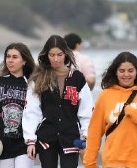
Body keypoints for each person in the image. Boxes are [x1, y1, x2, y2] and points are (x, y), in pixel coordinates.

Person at [83, 51, 137, 168]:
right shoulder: (105, 95)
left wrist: (136, 115)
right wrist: (89, 164)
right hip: (112, 162)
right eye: (122, 71)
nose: (126, 75)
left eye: (130, 71)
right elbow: (94, 133)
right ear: (116, 72)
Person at [22, 35, 93, 168]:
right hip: (46, 138)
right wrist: (30, 141)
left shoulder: (77, 78)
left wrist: (86, 136)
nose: (56, 59)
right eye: (52, 55)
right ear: (46, 55)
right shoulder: (39, 78)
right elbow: (32, 111)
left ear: (66, 54)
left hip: (71, 137)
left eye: (59, 54)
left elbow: (86, 110)